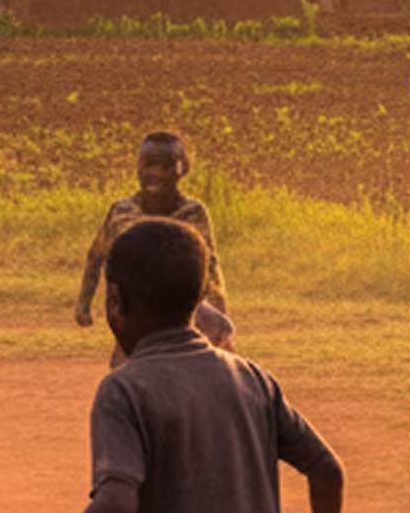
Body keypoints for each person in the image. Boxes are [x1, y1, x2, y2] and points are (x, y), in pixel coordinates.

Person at [86, 220, 342, 513]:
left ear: (115, 302)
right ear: (199, 296)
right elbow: (326, 470)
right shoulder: (254, 380)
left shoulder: (125, 390)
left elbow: (116, 502)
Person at [74, 131, 236, 357]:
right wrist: (84, 302)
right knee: (131, 370)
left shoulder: (192, 214)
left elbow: (210, 266)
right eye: (149, 165)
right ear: (138, 167)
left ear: (183, 169)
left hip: (182, 314)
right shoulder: (121, 212)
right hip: (133, 314)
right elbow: (96, 256)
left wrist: (219, 314)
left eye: (166, 166)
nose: (156, 174)